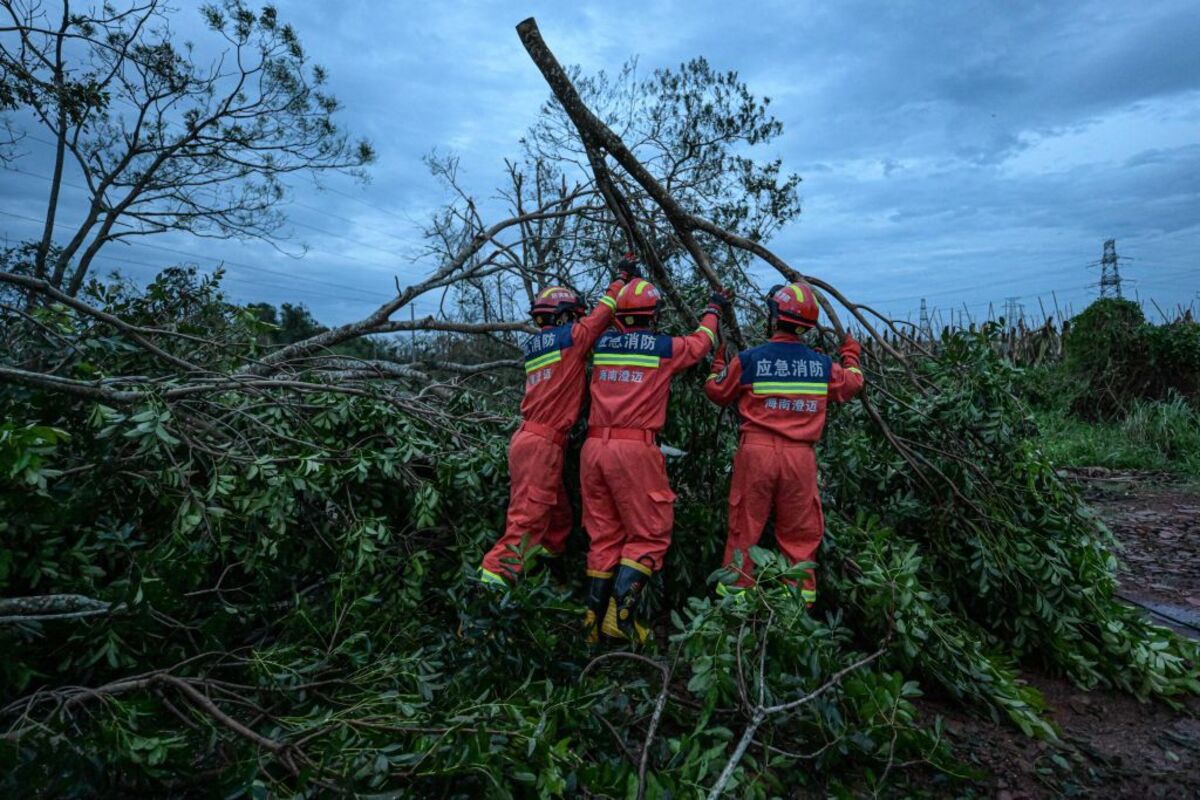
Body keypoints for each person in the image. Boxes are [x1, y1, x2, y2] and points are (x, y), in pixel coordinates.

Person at [581, 279, 731, 642]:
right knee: (649, 534)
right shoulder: (662, 348)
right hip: (634, 452)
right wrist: (713, 308)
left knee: (604, 537)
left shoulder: (600, 344)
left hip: (593, 449)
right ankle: (622, 621)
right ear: (654, 315)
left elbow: (612, 327)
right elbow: (701, 344)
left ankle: (591, 627)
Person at [477, 256, 638, 586]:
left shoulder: (536, 345)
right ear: (565, 315)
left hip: (529, 439)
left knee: (558, 518)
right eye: (573, 316)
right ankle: (488, 595)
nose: (577, 321)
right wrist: (622, 278)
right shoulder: (571, 340)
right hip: (542, 443)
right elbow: (602, 314)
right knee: (527, 520)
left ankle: (544, 579)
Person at [703, 282, 863, 605]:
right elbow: (852, 383)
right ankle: (795, 623)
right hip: (799, 461)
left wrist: (717, 367)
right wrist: (851, 355)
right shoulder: (819, 366)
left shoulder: (750, 360)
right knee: (800, 540)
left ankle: (731, 620)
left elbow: (716, 392)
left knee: (743, 533)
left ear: (774, 318)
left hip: (756, 456)